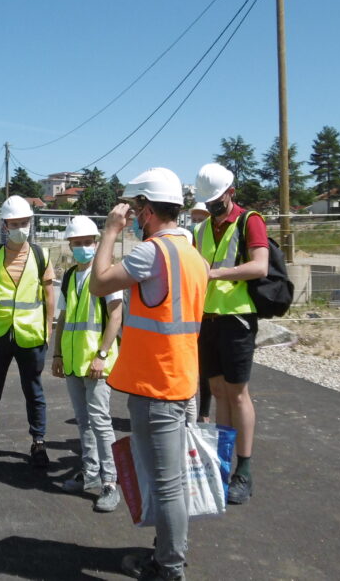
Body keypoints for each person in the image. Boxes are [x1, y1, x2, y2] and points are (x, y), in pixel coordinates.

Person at [91, 167, 207, 581]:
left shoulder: (152, 252)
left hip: (156, 385)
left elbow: (100, 283)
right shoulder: (192, 254)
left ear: (147, 210)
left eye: (137, 208)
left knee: (168, 485)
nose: (133, 216)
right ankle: (166, 553)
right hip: (179, 380)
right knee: (169, 480)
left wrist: (109, 232)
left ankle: (169, 568)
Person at [193, 163, 268, 506]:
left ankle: (244, 469)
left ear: (231, 192)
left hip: (237, 319)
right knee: (218, 391)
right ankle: (222, 464)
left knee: (238, 394)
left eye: (216, 201)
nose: (212, 208)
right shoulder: (203, 229)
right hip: (207, 319)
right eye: (207, 203)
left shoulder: (249, 220)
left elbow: (259, 266)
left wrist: (218, 274)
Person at [0, 195, 56, 469]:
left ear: (30, 223)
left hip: (30, 335)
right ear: (4, 225)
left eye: (24, 222)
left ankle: (39, 442)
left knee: (34, 391)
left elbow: (49, 295)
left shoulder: (42, 255)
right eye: (14, 223)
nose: (20, 227)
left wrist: (47, 330)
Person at [51, 215, 123, 513]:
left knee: (101, 422)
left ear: (96, 243)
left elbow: (116, 316)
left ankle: (110, 481)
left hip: (96, 362)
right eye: (76, 243)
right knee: (84, 422)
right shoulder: (69, 276)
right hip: (72, 361)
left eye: (86, 243)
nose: (82, 248)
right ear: (70, 245)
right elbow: (65, 318)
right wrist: (56, 355)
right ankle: (90, 472)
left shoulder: (107, 273)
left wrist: (102, 354)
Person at [186, 204, 213, 424]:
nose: (196, 223)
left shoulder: (214, 242)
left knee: (204, 368)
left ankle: (202, 412)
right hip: (193, 311)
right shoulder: (191, 242)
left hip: (211, 309)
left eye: (200, 219)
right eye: (193, 219)